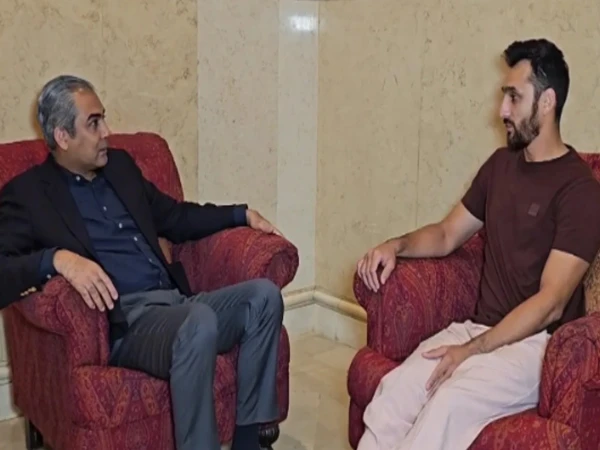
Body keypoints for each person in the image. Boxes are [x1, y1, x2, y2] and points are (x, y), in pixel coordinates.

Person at [0, 75, 287, 450]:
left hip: (178, 304)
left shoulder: (119, 166)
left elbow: (175, 217)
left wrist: (240, 214)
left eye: (104, 118)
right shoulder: (28, 195)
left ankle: (249, 444)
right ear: (63, 136)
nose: (107, 132)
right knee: (197, 322)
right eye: (94, 123)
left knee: (263, 297)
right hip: (127, 324)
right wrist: (56, 259)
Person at [355, 38, 600, 450]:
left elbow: (552, 302)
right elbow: (447, 234)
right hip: (478, 329)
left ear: (547, 102)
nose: (502, 110)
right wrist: (396, 246)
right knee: (394, 394)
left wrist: (471, 351)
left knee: (446, 406)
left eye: (514, 97)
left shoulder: (580, 190)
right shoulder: (500, 166)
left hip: (534, 347)